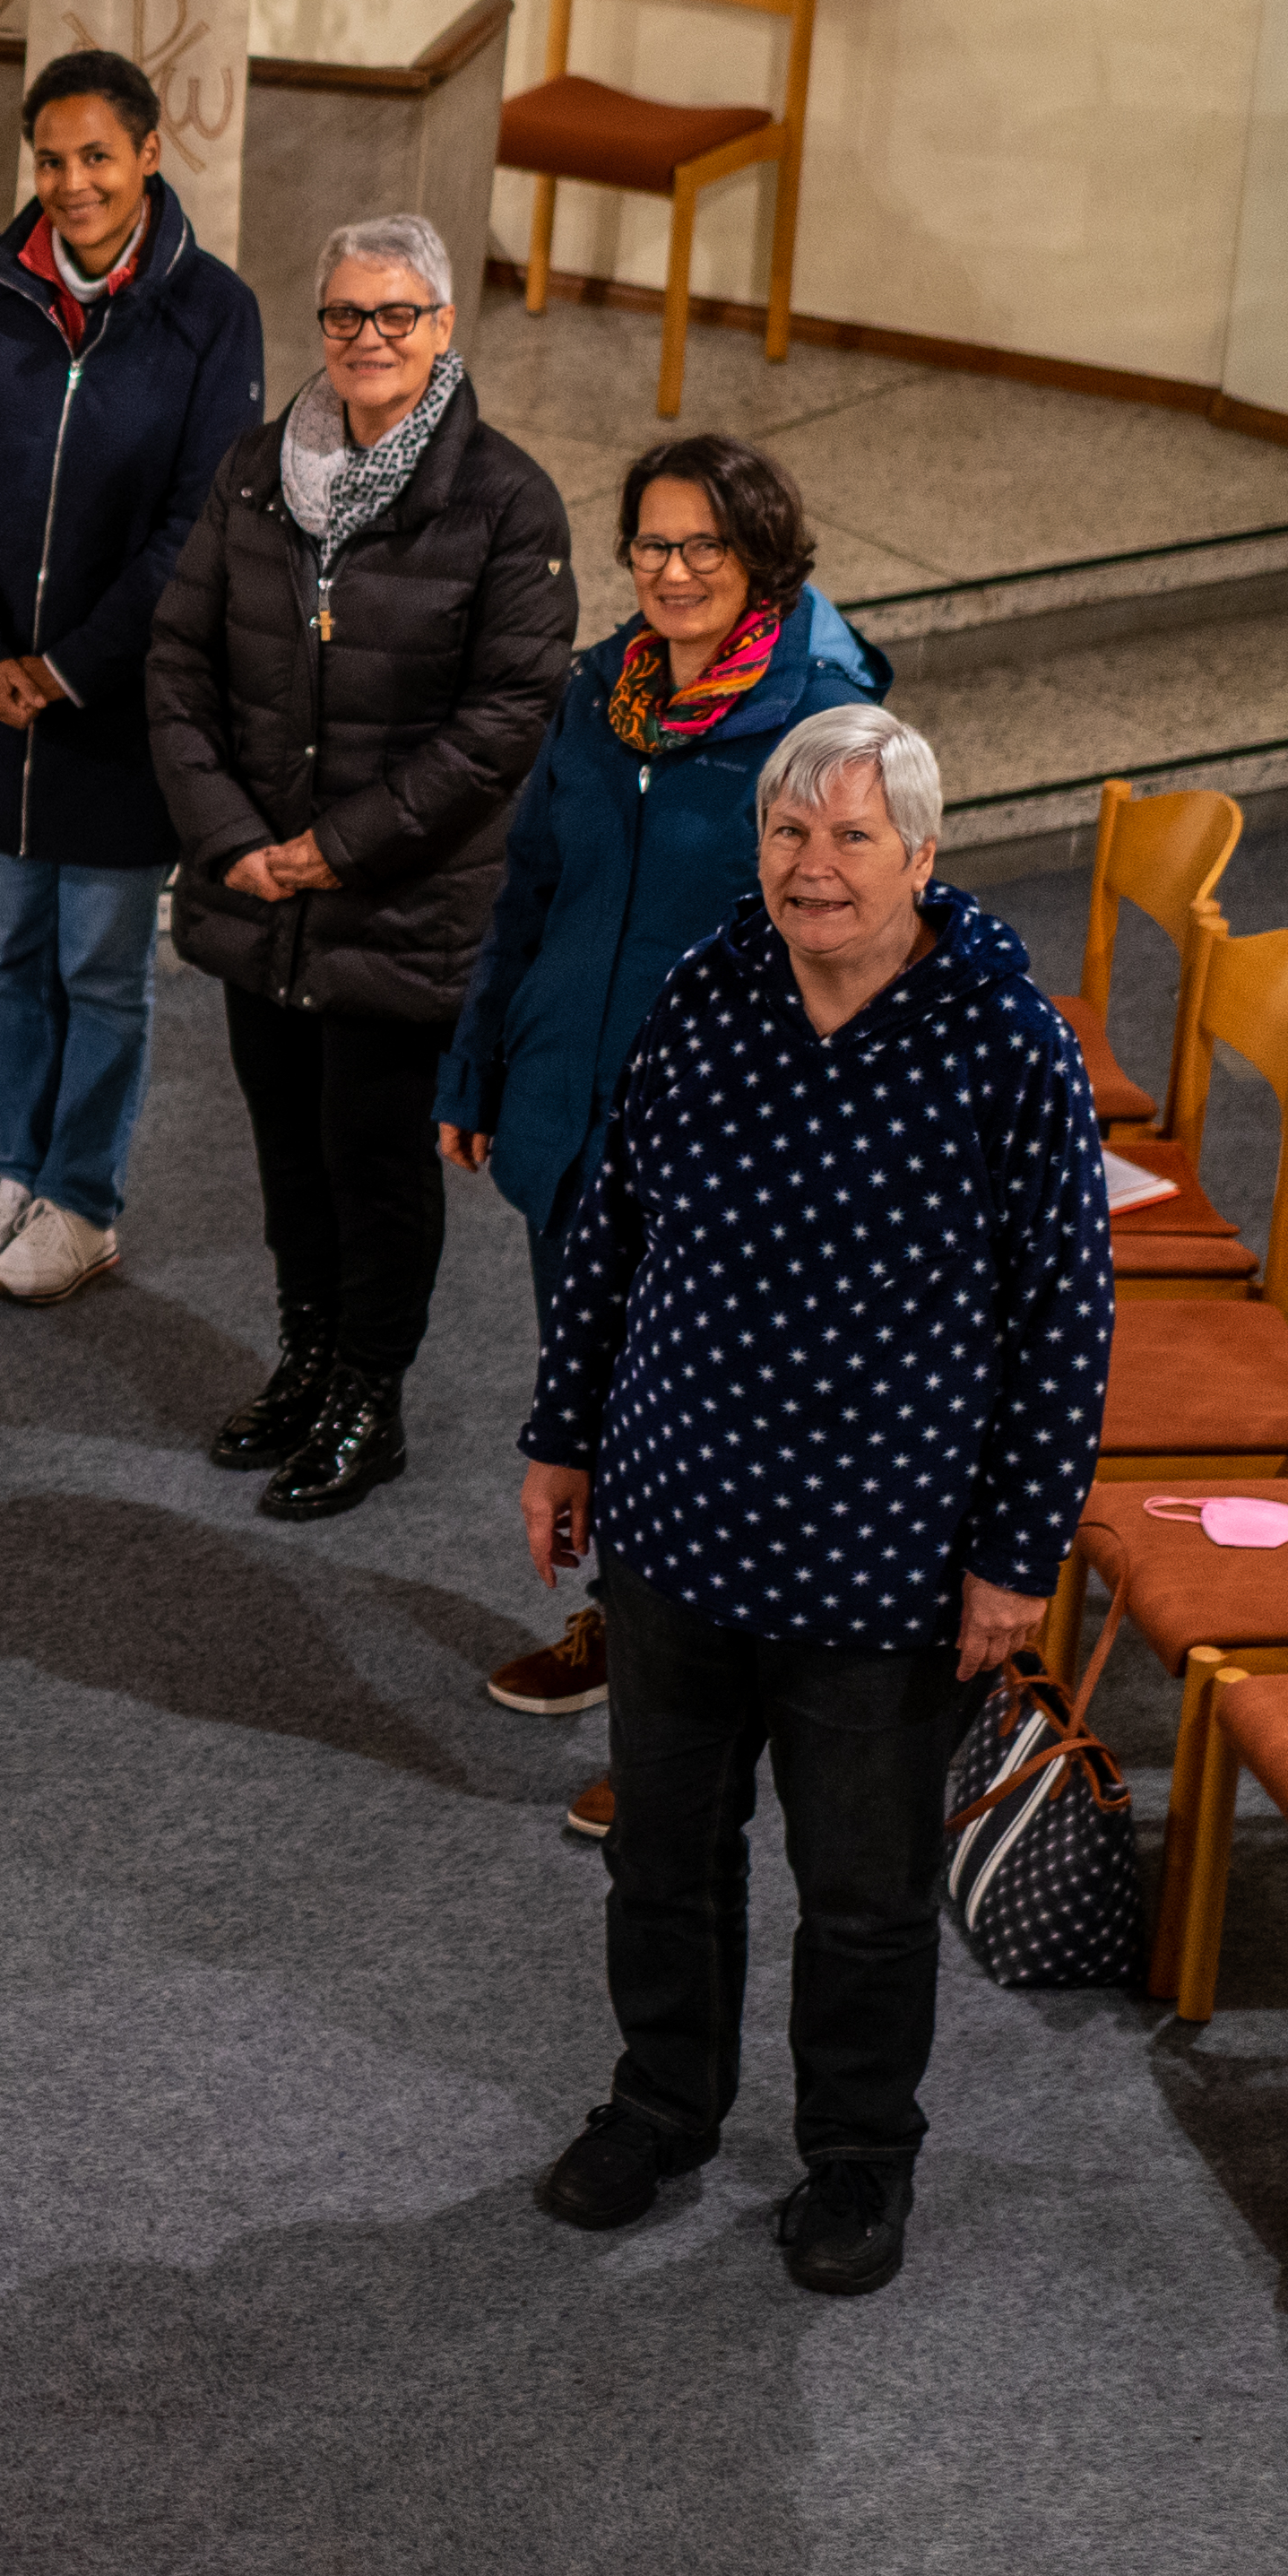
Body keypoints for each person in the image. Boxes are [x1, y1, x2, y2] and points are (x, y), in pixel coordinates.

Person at [518, 703, 1111, 2297]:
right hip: (682, 1527)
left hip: (882, 1559)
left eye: (854, 836)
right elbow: (613, 1229)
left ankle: (858, 2157)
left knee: (862, 1898)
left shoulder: (999, 1034)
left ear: (923, 856)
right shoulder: (707, 993)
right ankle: (662, 2106)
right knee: (665, 1861)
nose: (815, 865)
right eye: (790, 832)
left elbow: (1066, 1312)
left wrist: (1016, 1552)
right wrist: (562, 1434)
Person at [435, 433, 886, 1791]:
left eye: (704, 546)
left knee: (691, 1437)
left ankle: (680, 1743)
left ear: (759, 557)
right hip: (573, 1118)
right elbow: (530, 891)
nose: (674, 572)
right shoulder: (600, 695)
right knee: (594, 1409)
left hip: (722, 1150)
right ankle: (630, 1638)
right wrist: (481, 1066)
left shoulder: (820, 718)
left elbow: (856, 944)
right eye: (651, 544)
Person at [145, 212, 569, 1520]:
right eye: (345, 316)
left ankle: (368, 1399)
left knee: (374, 1165)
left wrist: (338, 848)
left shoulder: (505, 498)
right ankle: (309, 1359)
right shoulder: (258, 471)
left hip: (402, 903)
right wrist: (235, 844)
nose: (368, 340)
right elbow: (179, 666)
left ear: (443, 327)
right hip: (261, 895)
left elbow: (508, 717)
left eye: (396, 317)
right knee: (286, 1152)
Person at [0, 48, 258, 1290]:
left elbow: (195, 523)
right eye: (51, 159)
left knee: (100, 968)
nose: (70, 183)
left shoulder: (212, 311)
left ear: (150, 154)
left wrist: (66, 667)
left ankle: (83, 1198)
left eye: (96, 155)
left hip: (115, 703)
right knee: (8, 956)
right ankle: (17, 1170)